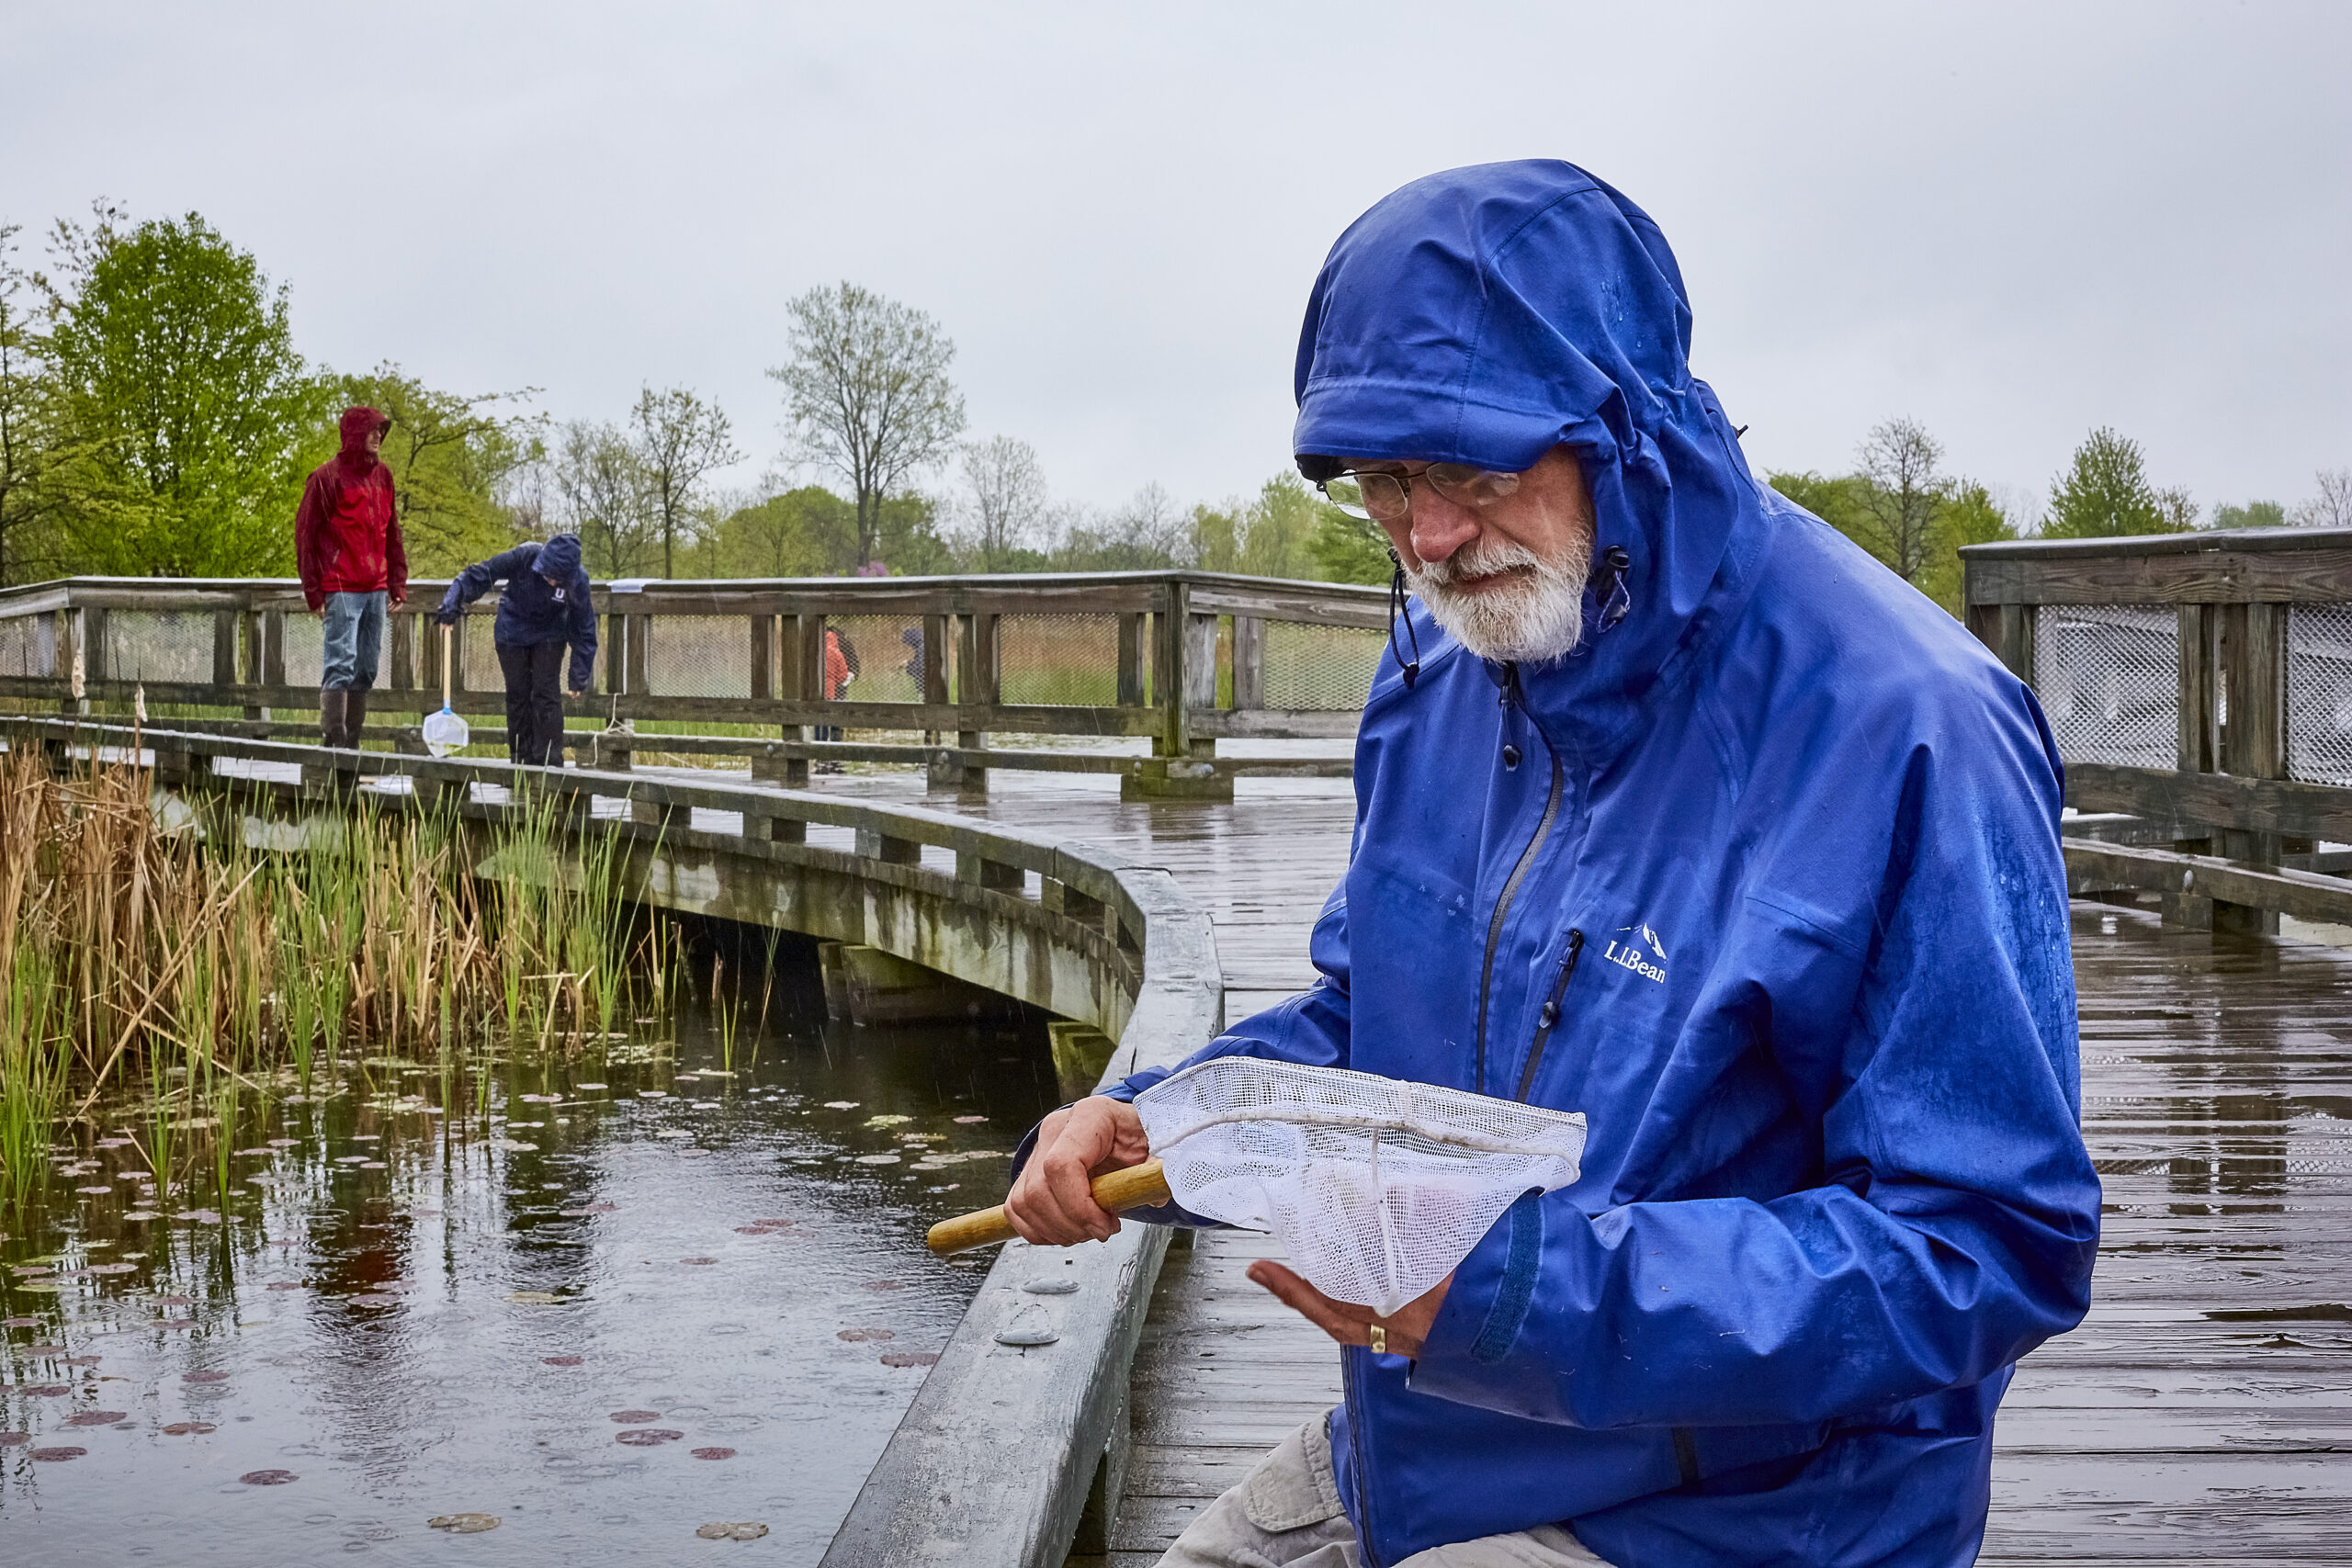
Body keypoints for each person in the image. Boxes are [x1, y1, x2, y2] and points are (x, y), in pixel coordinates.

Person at [1005, 162, 2100, 1568]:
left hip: (1747, 1513)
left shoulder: (1913, 726)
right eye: (1387, 479)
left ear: (1625, 422)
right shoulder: (1447, 666)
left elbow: (1988, 1245)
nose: (1431, 536)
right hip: (1436, 1436)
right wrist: (1170, 1115)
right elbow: (1368, 1018)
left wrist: (1530, 1294)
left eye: (1472, 463)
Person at [295, 406, 408, 749]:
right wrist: (314, 593)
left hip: (375, 588)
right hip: (341, 587)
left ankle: (352, 745)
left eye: (381, 431)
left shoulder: (383, 476)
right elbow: (305, 537)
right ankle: (334, 748)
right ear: (356, 435)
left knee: (366, 670)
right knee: (340, 666)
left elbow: (392, 532)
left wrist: (397, 582)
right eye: (373, 430)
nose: (378, 436)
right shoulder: (326, 478)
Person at [435, 534, 596, 767]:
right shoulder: (525, 556)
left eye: (557, 579)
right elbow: (481, 574)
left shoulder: (578, 581)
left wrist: (579, 674)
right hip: (512, 629)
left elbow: (584, 626)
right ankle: (521, 760)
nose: (551, 582)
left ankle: (548, 762)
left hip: (550, 633)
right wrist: (451, 605)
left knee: (546, 692)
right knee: (518, 693)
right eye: (548, 575)